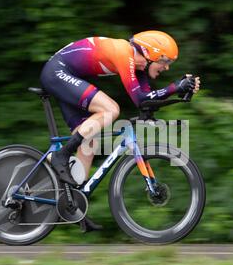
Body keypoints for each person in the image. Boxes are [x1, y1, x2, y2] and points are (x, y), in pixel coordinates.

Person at [39, 31, 200, 231]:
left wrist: (181, 91)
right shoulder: (124, 53)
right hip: (58, 72)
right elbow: (140, 99)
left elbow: (147, 102)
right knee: (111, 109)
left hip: (69, 76)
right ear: (150, 54)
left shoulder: (138, 67)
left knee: (90, 142)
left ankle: (73, 205)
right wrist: (175, 87)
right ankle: (61, 155)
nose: (166, 67)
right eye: (164, 61)